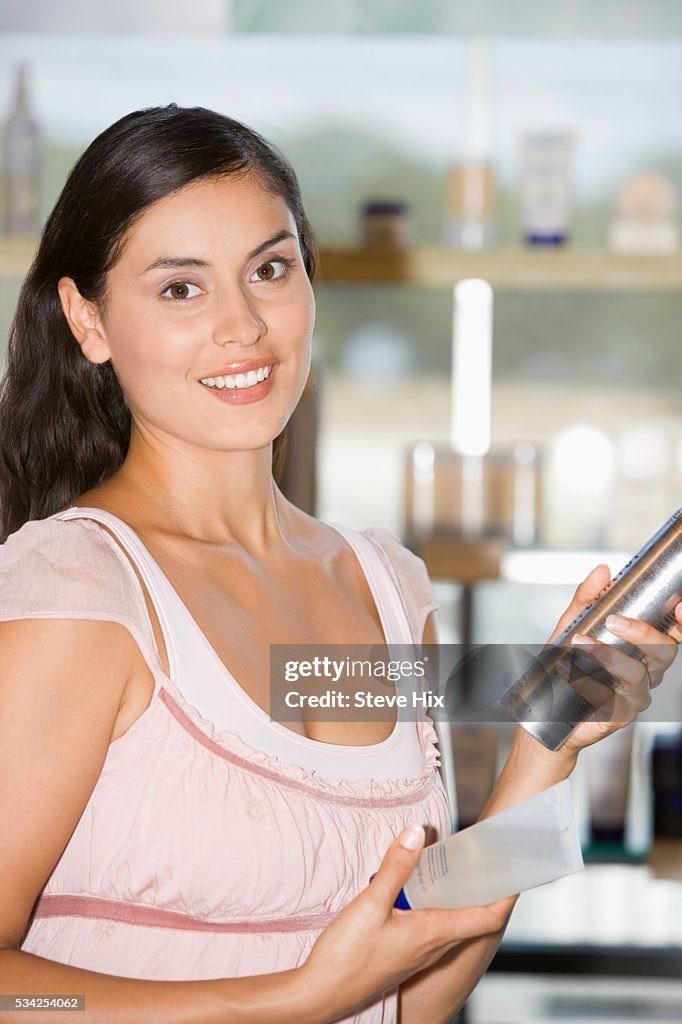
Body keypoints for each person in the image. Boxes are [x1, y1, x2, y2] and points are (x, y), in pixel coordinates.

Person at [0, 104, 678, 1024]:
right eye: (181, 288)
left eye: (270, 270)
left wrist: (549, 742)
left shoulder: (386, 587)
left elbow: (415, 996)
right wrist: (290, 1000)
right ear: (88, 321)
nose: (243, 325)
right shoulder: (77, 590)